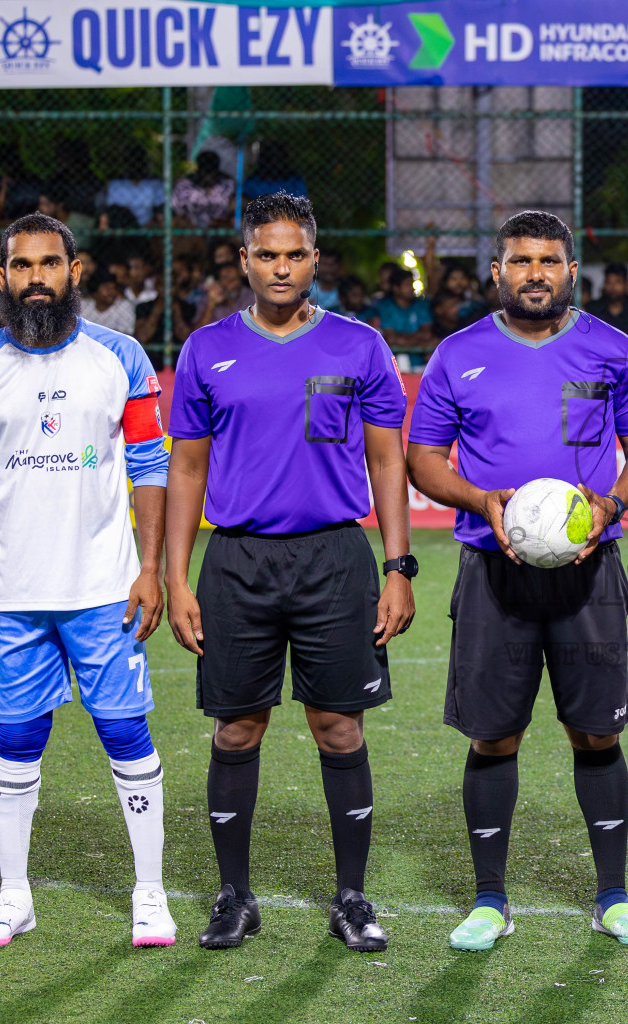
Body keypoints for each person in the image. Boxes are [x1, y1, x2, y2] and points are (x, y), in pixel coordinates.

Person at [406, 210, 628, 952]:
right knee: (494, 736)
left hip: (590, 572)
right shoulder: (459, 355)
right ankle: (490, 900)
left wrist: (611, 505)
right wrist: (480, 502)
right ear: (498, 271)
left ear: (570, 270)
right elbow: (426, 459)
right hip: (492, 571)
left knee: (597, 729)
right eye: (521, 261)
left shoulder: (613, 351)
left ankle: (612, 896)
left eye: (549, 261)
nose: (535, 273)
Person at [165, 192, 415, 953]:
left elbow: (385, 457)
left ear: (315, 259)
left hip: (334, 557)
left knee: (338, 727)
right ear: (244, 260)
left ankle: (352, 898)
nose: (280, 266)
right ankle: (235, 898)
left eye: (294, 254)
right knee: (238, 728)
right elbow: (187, 469)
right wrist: (177, 577)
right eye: (266, 254)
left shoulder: (359, 345)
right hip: (236, 560)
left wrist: (397, 564)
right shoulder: (206, 350)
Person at [0, 212, 174, 948]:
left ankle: (151, 894)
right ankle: (13, 897)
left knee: (125, 729)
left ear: (76, 271)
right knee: (18, 736)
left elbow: (151, 465)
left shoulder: (121, 357)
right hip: (11, 594)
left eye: (50, 264)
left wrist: (152, 568)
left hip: (103, 587)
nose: (38, 278)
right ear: (0, 277)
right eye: (22, 266)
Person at [366, 268, 433, 349]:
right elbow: (391, 338)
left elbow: (427, 334)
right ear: (396, 288)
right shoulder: (385, 307)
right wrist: (417, 339)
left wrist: (402, 338)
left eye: (412, 284)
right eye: (407, 285)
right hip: (394, 359)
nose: (412, 288)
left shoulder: (421, 305)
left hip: (420, 359)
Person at [172, 152, 236, 230]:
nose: (208, 177)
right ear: (198, 170)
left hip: (219, 228)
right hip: (190, 229)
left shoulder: (227, 185)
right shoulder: (184, 186)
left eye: (211, 173)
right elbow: (175, 212)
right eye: (205, 172)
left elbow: (234, 210)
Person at [585, 263, 628, 339]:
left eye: (618, 282)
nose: (613, 287)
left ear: (625, 285)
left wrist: (618, 338)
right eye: (609, 282)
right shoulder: (593, 308)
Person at [105, 146, 163, 229]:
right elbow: (111, 210)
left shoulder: (155, 183)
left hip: (148, 229)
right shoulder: (115, 184)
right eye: (133, 162)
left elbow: (160, 209)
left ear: (145, 163)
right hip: (122, 230)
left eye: (139, 161)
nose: (136, 165)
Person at [194, 262, 255, 330]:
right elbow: (197, 334)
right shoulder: (207, 300)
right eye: (225, 278)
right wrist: (211, 305)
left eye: (233, 279)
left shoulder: (252, 297)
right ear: (218, 282)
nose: (230, 284)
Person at [80, 271, 138, 338]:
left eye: (114, 288)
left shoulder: (124, 306)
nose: (112, 292)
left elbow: (127, 336)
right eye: (107, 288)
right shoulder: (83, 305)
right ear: (95, 291)